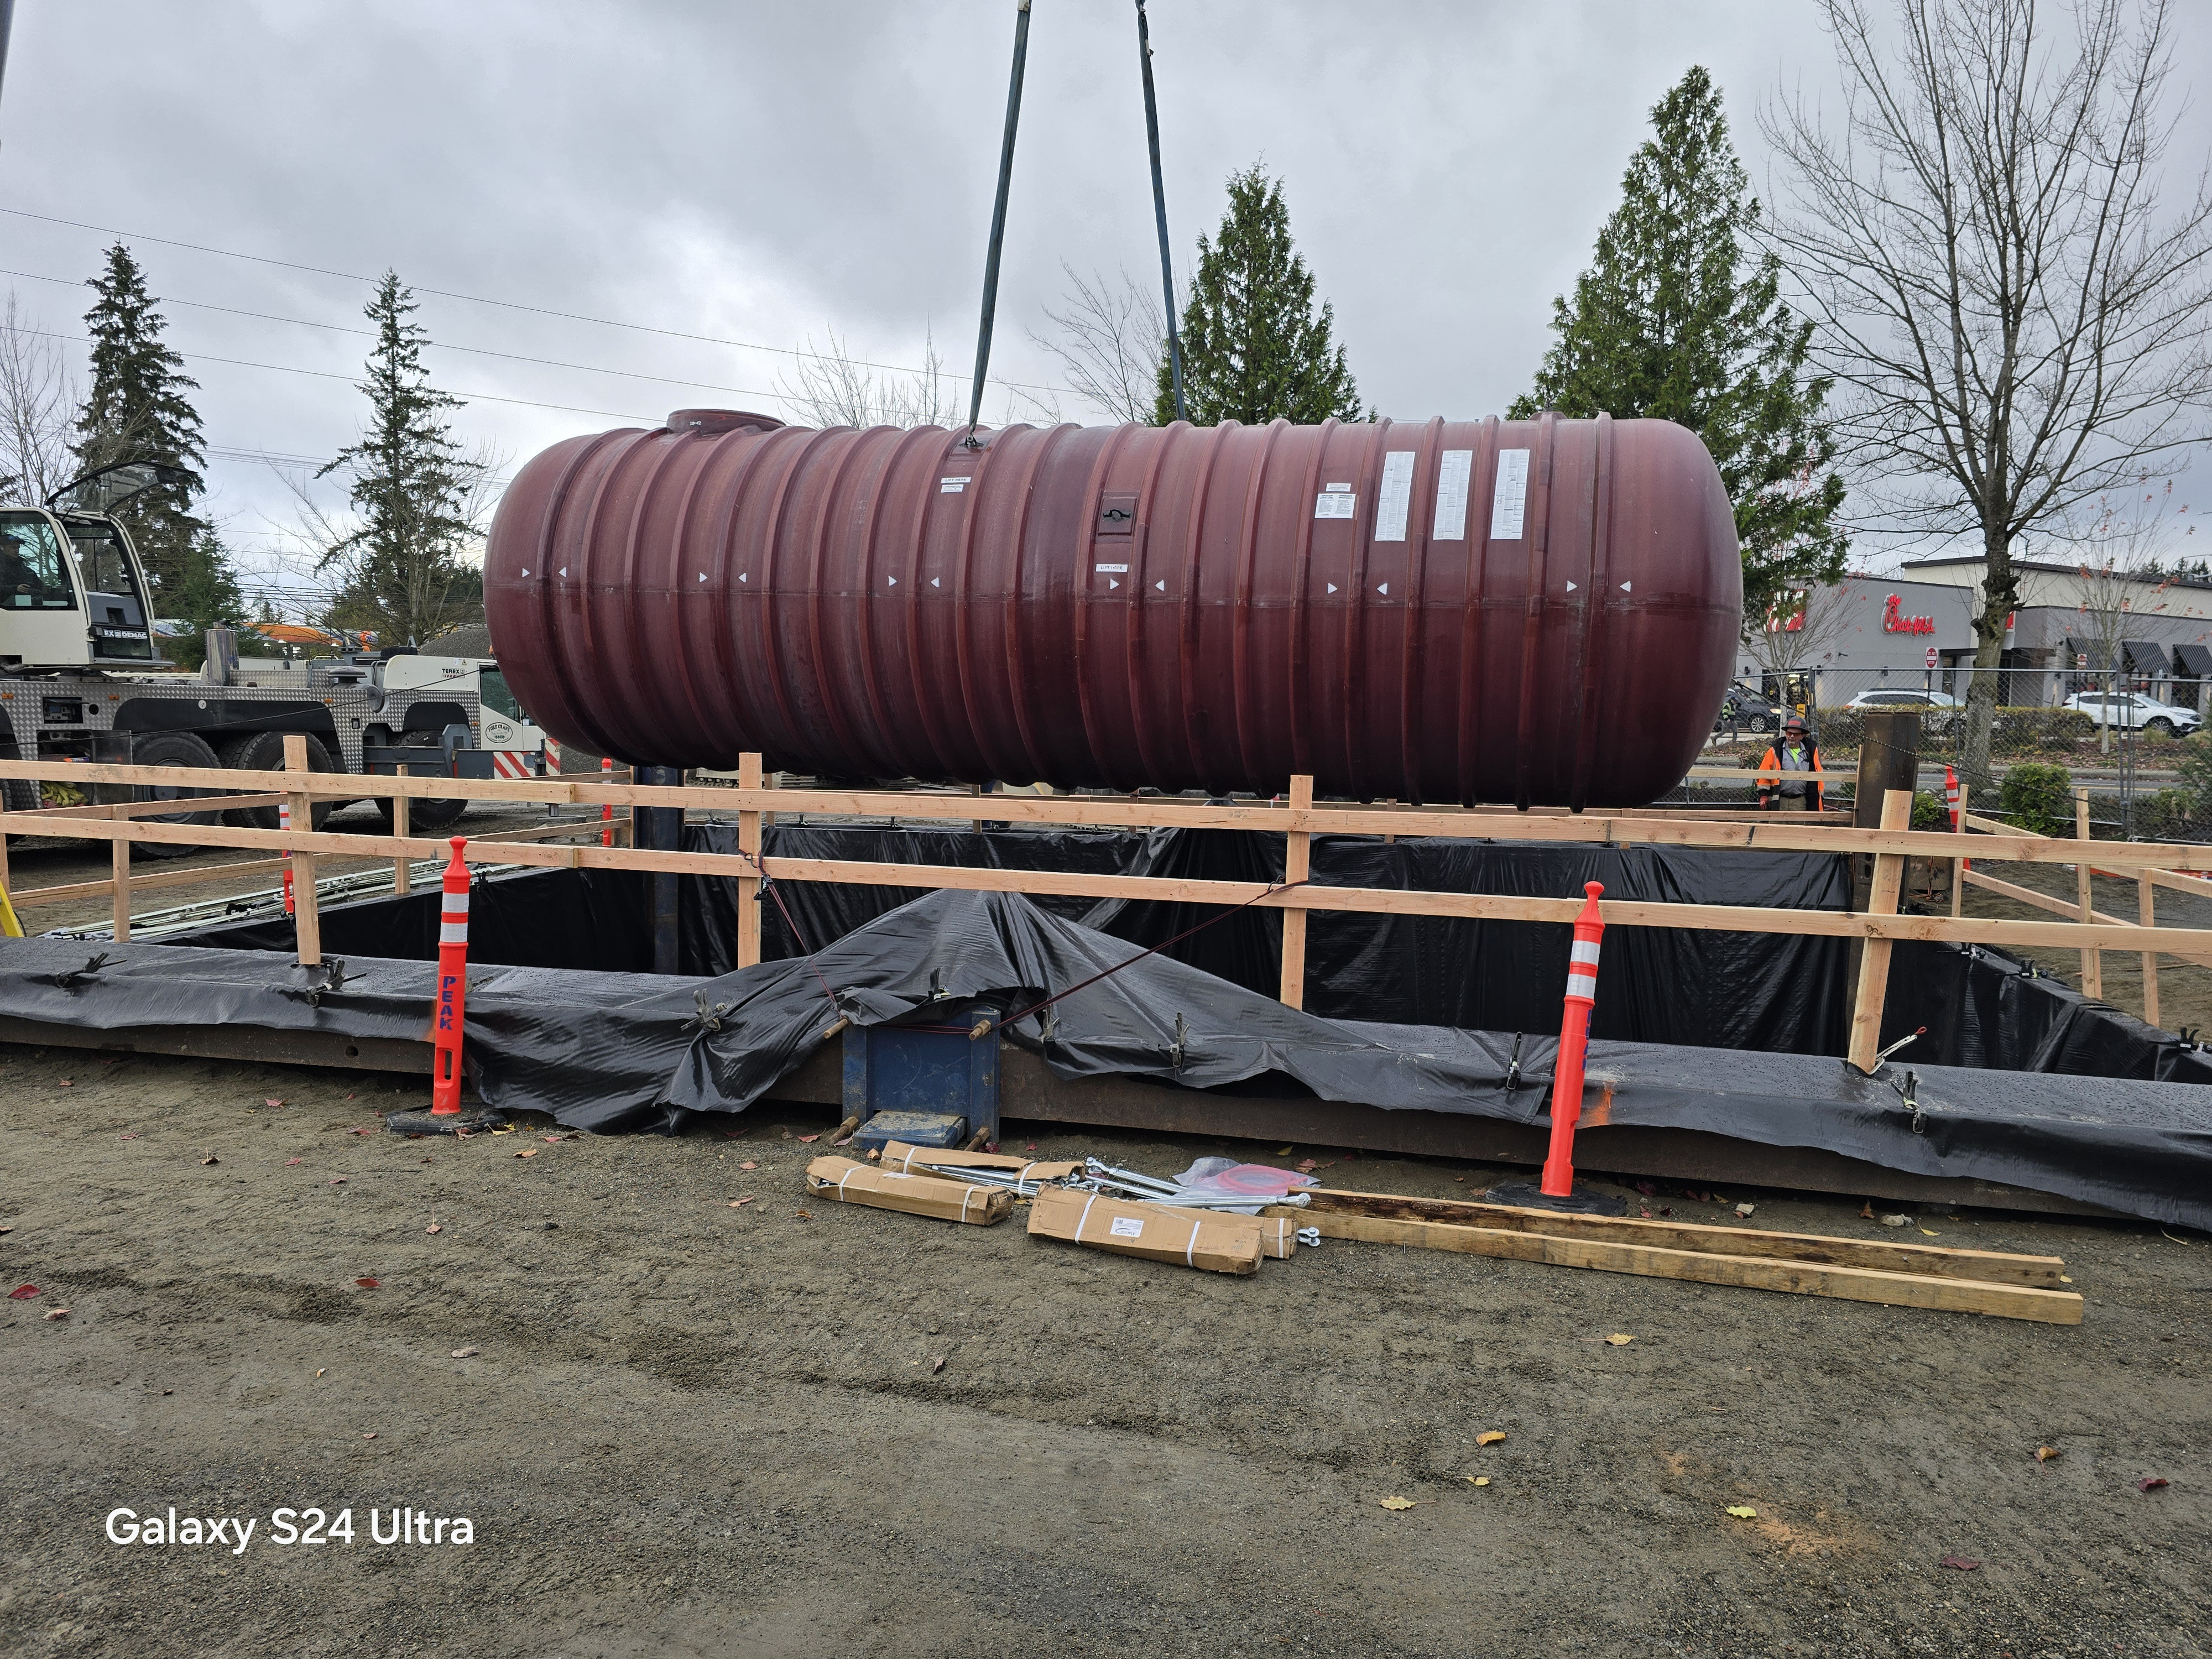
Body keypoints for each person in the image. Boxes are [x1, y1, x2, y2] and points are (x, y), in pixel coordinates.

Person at [1757, 716, 1824, 811]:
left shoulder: (1812, 752)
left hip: (1801, 801)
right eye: (1789, 733)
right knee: (1775, 826)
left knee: (1798, 826)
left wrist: (1820, 797)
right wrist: (1763, 795)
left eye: (1796, 734)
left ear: (1802, 736)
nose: (1792, 736)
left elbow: (1819, 776)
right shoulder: (1775, 751)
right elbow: (1763, 774)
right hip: (1780, 800)